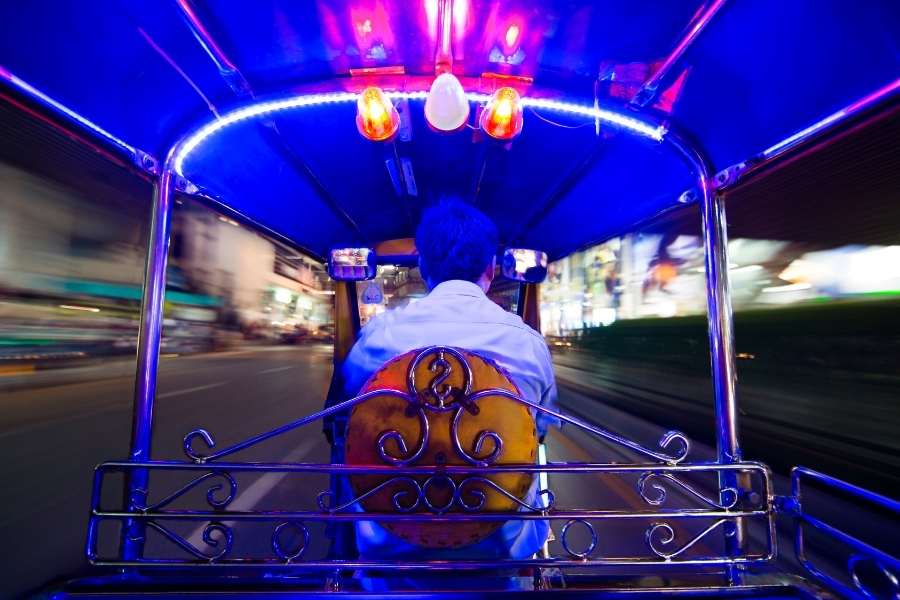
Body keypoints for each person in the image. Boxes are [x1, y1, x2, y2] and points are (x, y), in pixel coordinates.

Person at [340, 197, 558, 573]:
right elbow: (537, 431)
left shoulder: (377, 338)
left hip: (388, 555)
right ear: (491, 268)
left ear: (423, 265)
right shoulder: (527, 345)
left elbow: (350, 426)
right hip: (500, 556)